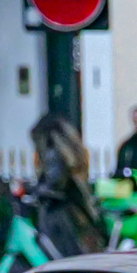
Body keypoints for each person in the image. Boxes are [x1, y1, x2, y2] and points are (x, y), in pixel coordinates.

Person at [26, 110, 102, 260]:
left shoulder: (53, 152)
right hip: (74, 210)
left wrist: (32, 190)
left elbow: (54, 185)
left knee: (61, 256)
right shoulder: (69, 153)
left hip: (59, 214)